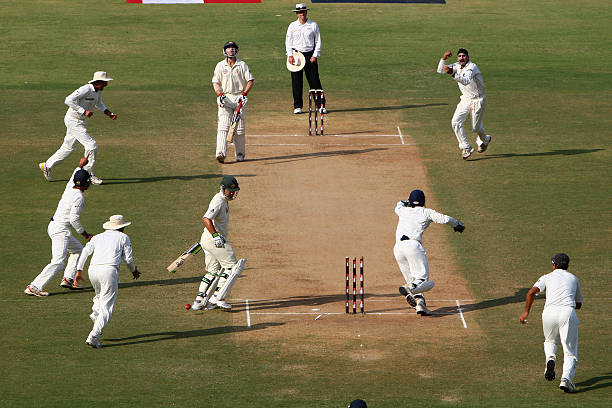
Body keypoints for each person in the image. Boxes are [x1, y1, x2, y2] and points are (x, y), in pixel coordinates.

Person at [25, 157, 94, 297]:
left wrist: (80, 165)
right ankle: (34, 286)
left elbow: (75, 174)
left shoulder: (70, 186)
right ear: (86, 183)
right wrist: (86, 235)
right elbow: (73, 219)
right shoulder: (79, 197)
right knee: (58, 262)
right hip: (60, 230)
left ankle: (68, 279)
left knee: (77, 250)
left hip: (56, 226)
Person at [393, 189, 465, 315]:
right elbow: (445, 219)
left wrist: (405, 202)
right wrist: (457, 224)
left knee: (413, 279)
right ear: (423, 201)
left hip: (398, 248)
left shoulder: (402, 210)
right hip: (413, 246)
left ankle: (420, 305)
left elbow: (399, 204)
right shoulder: (426, 212)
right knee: (423, 281)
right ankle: (408, 288)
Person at [520, 253, 584, 393]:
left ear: (554, 265)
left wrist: (526, 312)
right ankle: (566, 379)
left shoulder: (546, 277)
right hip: (567, 313)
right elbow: (578, 304)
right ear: (567, 265)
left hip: (548, 313)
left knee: (550, 341)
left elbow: (530, 293)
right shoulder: (574, 278)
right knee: (570, 352)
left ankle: (550, 360)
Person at [39, 71, 117, 185]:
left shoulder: (98, 91)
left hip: (81, 122)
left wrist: (109, 114)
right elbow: (68, 100)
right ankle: (89, 174)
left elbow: (99, 104)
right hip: (73, 120)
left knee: (68, 148)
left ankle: (47, 166)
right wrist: (83, 111)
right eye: (105, 82)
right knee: (92, 146)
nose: (107, 84)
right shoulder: (85, 89)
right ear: (98, 82)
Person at [74, 214, 140, 349]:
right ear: (121, 228)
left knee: (99, 297)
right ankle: (93, 336)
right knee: (107, 307)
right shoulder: (124, 237)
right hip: (109, 271)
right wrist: (134, 271)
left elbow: (85, 252)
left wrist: (79, 270)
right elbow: (128, 259)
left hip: (93, 271)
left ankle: (95, 315)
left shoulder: (97, 237)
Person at [190, 176, 247, 311]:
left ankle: (200, 301)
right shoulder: (219, 201)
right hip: (215, 239)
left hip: (208, 239)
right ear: (223, 189)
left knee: (212, 271)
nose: (232, 193)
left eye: (234, 191)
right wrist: (215, 236)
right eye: (229, 191)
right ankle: (218, 297)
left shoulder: (223, 200)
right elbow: (206, 219)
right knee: (232, 266)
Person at [437, 49, 492, 160]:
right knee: (455, 122)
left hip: (478, 100)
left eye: (463, 56)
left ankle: (485, 139)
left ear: (467, 57)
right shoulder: (457, 65)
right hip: (465, 100)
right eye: (459, 56)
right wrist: (443, 59)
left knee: (475, 128)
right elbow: (440, 70)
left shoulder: (472, 67)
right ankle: (466, 147)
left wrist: (452, 73)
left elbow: (466, 80)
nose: (461, 58)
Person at [212, 41, 254, 163]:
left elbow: (250, 80)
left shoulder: (242, 65)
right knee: (223, 126)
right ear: (225, 51)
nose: (231, 50)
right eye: (229, 48)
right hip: (226, 98)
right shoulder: (220, 65)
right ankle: (221, 153)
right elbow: (216, 82)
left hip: (239, 98)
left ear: (236, 50)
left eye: (233, 48)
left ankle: (240, 154)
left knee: (239, 129)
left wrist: (244, 94)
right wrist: (220, 94)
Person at [285, 3, 326, 114]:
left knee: (314, 81)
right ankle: (297, 106)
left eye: (303, 12)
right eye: (299, 12)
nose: (301, 14)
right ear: (297, 14)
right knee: (296, 82)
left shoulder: (313, 25)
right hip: (296, 55)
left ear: (306, 12)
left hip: (310, 55)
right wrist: (290, 55)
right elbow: (288, 42)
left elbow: (318, 41)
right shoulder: (292, 26)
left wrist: (315, 55)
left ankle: (320, 105)